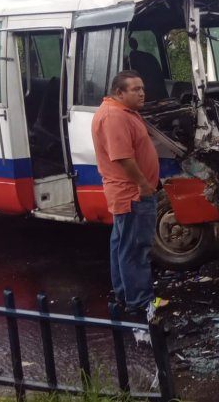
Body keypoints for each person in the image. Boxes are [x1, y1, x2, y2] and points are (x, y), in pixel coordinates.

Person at [91, 70, 168, 321]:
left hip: (127, 193)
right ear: (119, 92)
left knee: (122, 246)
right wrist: (144, 185)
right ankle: (141, 303)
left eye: (142, 88)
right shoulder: (114, 116)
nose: (142, 93)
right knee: (136, 249)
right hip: (133, 194)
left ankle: (126, 294)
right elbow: (122, 157)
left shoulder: (123, 112)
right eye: (135, 89)